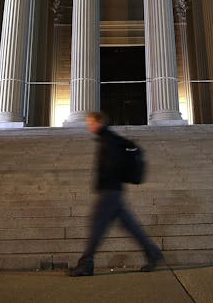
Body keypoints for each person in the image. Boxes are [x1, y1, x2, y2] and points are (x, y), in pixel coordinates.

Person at [68, 111, 164, 276]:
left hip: (109, 192)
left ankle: (86, 264)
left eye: (90, 122)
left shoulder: (109, 140)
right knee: (131, 227)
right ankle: (153, 253)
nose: (88, 125)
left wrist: (106, 182)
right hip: (113, 191)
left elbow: (114, 165)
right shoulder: (108, 138)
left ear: (98, 122)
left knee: (97, 228)